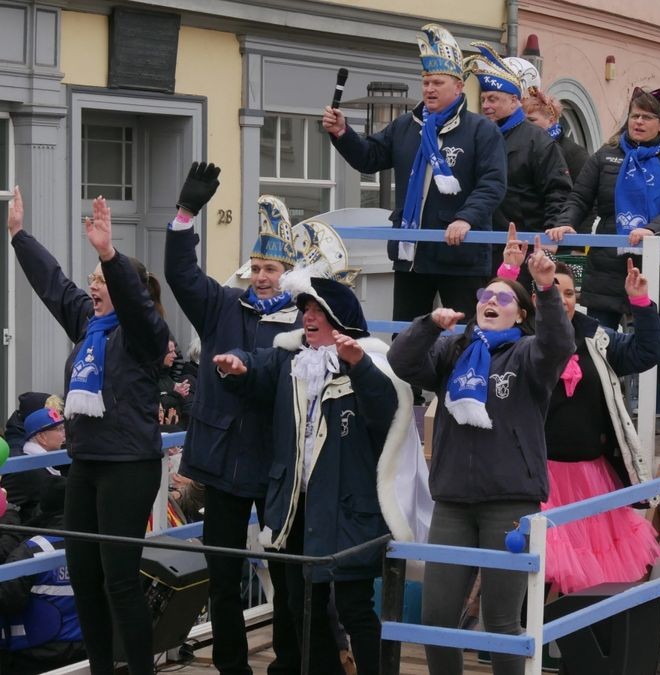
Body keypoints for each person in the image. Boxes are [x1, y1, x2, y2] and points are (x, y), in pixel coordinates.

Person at [214, 270, 416, 675]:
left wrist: (357, 366)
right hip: (295, 506)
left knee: (354, 606)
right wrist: (237, 367)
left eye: (317, 310)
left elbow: (386, 414)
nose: (307, 317)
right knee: (300, 605)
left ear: (338, 319)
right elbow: (257, 368)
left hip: (346, 507)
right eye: (304, 309)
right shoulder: (291, 360)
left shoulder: (369, 363)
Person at [388, 239, 573, 675]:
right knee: (436, 620)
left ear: (520, 314)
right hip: (452, 501)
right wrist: (429, 324)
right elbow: (401, 359)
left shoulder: (529, 355)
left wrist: (545, 287)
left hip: (508, 502)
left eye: (503, 298)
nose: (491, 301)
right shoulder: (452, 352)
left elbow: (559, 344)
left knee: (501, 622)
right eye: (484, 297)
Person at [10, 187, 169, 675]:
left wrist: (109, 254)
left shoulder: (145, 335)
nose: (93, 286)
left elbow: (137, 306)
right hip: (87, 464)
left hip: (129, 466)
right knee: (83, 575)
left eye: (102, 280)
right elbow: (53, 285)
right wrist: (19, 236)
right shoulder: (88, 325)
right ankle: (101, 668)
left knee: (119, 580)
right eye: (93, 279)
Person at [165, 169, 305, 675]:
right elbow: (181, 275)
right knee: (222, 575)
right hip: (223, 461)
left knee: (288, 576)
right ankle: (230, 667)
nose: (262, 276)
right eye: (257, 267)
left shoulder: (304, 320)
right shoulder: (223, 305)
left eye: (271, 268)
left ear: (287, 273)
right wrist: (185, 216)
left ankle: (287, 662)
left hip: (276, 465)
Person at [496, 238, 660, 591]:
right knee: (534, 573)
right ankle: (521, 643)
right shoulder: (519, 340)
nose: (563, 299)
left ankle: (575, 642)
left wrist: (641, 303)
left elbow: (648, 352)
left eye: (570, 293)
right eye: (553, 290)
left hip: (591, 478)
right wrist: (509, 273)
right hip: (537, 478)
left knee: (591, 579)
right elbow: (489, 328)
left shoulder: (597, 338)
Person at [323, 23, 507, 323]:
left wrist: (466, 217)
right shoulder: (406, 126)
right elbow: (369, 158)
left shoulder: (481, 130)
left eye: (437, 82)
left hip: (460, 257)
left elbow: (493, 184)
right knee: (407, 339)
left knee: (463, 338)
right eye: (425, 82)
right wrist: (343, 132)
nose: (429, 89)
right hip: (411, 254)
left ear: (458, 87)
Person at [549, 86, 660, 451]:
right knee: (598, 344)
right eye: (635, 115)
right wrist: (565, 222)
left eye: (647, 117)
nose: (639, 122)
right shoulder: (605, 156)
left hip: (654, 265)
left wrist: (652, 229)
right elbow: (580, 198)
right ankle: (601, 415)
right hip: (606, 264)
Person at [466, 44, 570, 246]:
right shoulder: (477, 135)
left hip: (524, 243)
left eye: (493, 99)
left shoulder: (538, 141)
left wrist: (548, 244)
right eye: (483, 99)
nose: (486, 106)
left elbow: (558, 193)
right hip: (479, 244)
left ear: (514, 101)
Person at [0, 481, 85, 674]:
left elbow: (5, 599)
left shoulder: (31, 549)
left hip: (36, 653)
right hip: (88, 644)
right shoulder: (98, 540)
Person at [1, 407, 66, 526]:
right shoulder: (25, 470)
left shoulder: (46, 465)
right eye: (59, 429)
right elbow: (4, 502)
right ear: (42, 437)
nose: (64, 434)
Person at [523, 92, 590, 183]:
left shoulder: (575, 153)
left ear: (551, 120)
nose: (526, 124)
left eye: (531, 120)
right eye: (523, 120)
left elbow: (582, 191)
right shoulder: (521, 145)